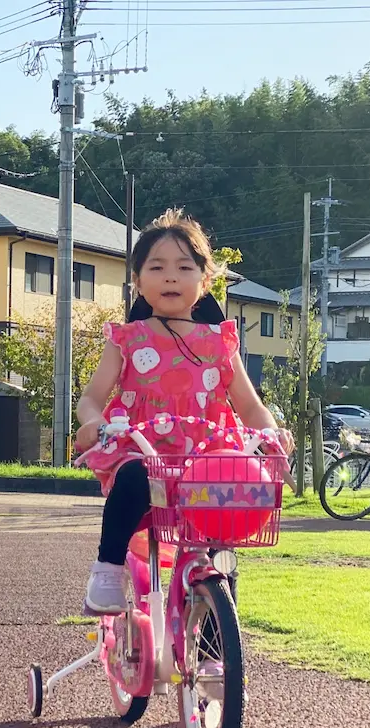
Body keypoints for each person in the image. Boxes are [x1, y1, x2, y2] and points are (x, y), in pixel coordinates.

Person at [74, 209, 293, 614]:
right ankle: (108, 568)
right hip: (143, 449)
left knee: (220, 543)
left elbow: (248, 405)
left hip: (206, 458)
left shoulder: (220, 342)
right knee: (133, 476)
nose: (170, 276)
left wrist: (272, 432)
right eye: (156, 267)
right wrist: (93, 422)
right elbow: (91, 398)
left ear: (205, 281)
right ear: (137, 281)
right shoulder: (127, 339)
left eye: (183, 267)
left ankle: (213, 649)